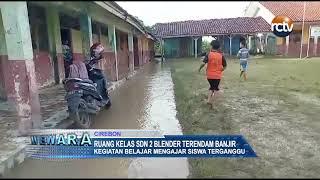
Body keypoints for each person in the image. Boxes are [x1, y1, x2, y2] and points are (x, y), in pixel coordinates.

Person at [198, 40, 227, 108]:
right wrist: (221, 70)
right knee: (216, 89)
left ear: (211, 46)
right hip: (217, 76)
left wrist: (199, 69)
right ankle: (213, 103)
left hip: (209, 76)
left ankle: (208, 100)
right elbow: (225, 66)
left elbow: (203, 63)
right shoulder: (221, 56)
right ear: (219, 47)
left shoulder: (209, 54)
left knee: (211, 87)